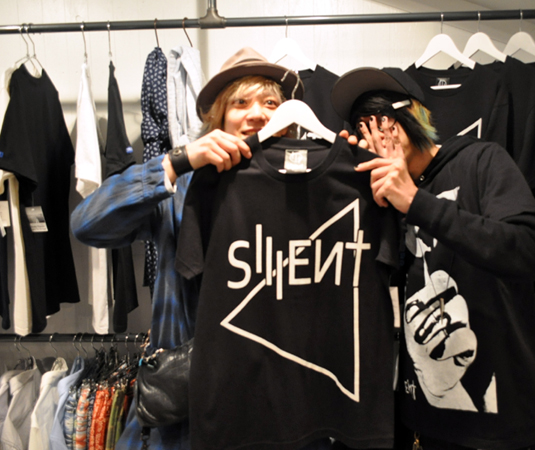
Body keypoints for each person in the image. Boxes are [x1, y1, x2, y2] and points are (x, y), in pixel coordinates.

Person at [71, 47, 346, 450]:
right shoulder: (185, 188)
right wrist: (174, 162)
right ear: (218, 117)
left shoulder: (311, 189)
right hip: (191, 414)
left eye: (271, 103)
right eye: (241, 103)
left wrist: (349, 175)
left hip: (281, 408)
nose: (257, 113)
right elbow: (87, 223)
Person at [331, 68, 535, 450]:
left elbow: (527, 250)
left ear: (413, 116)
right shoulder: (376, 196)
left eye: (383, 119)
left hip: (506, 423)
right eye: (362, 127)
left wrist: (415, 202)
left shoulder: (482, 160)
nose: (377, 136)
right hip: (423, 421)